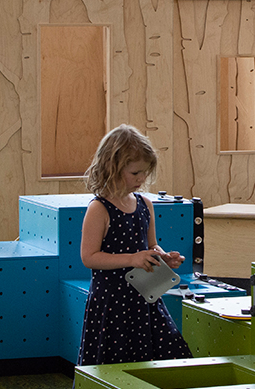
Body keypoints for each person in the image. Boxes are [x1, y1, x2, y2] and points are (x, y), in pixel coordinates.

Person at [77, 124, 193, 366]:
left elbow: (152, 246)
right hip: (111, 302)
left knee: (169, 352)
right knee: (115, 361)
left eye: (145, 173)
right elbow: (89, 257)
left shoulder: (144, 204)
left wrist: (163, 258)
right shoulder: (99, 208)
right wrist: (132, 258)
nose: (141, 179)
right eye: (135, 173)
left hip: (144, 297)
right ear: (112, 168)